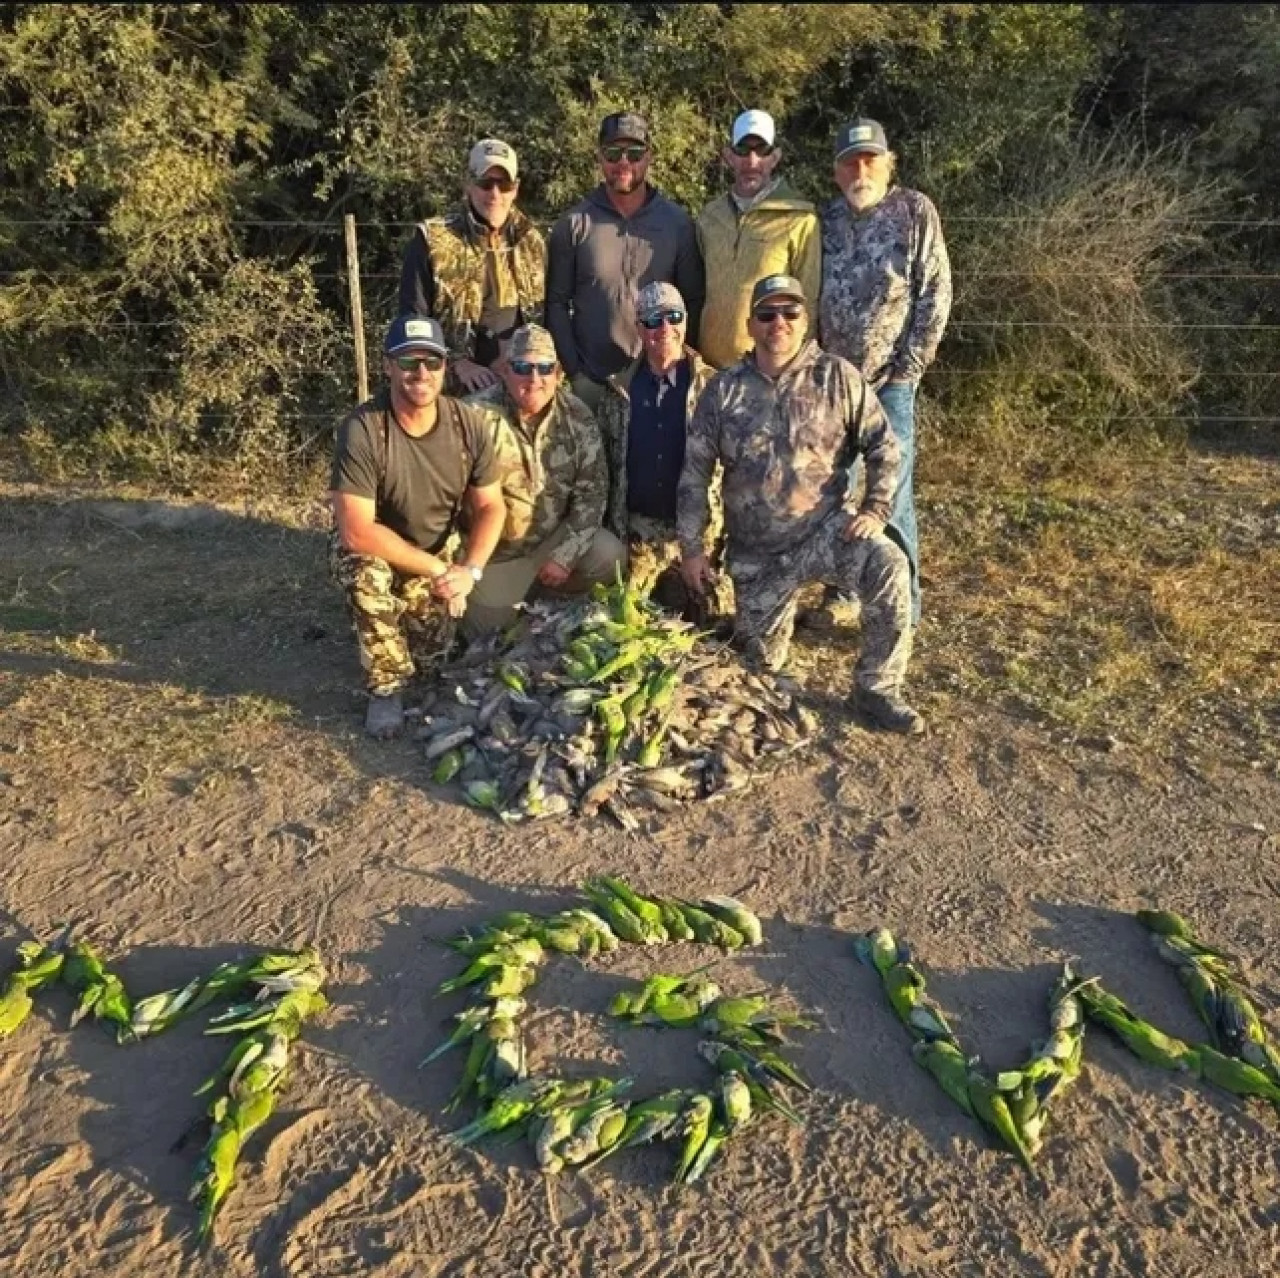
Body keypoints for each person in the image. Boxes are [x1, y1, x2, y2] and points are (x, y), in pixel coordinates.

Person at [677, 274, 923, 735]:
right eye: (767, 314)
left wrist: (875, 509)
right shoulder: (724, 390)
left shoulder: (838, 377)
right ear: (750, 325)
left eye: (790, 313)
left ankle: (877, 690)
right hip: (757, 553)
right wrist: (691, 547)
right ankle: (770, 658)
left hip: (827, 533)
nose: (779, 323)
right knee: (762, 679)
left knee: (888, 563)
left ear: (805, 321)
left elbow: (885, 448)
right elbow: (694, 473)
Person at [330, 314, 506, 738]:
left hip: (439, 553)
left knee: (432, 661)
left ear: (446, 365)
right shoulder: (363, 429)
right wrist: (438, 571)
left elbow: (491, 508)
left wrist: (470, 571)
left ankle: (409, 625)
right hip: (380, 550)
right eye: (408, 362)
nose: (420, 373)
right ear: (389, 365)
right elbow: (356, 529)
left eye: (431, 361)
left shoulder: (469, 425)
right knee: (365, 575)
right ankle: (385, 688)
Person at [818, 118, 951, 626]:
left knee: (889, 494)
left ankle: (902, 610)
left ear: (887, 162)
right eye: (851, 161)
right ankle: (846, 594)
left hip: (890, 383)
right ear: (836, 170)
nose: (861, 169)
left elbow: (935, 293)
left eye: (870, 159)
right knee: (838, 489)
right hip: (835, 385)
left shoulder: (913, 212)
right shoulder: (826, 221)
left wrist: (907, 370)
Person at [461, 323, 625, 634]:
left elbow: (592, 495)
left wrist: (566, 555)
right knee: (487, 631)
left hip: (551, 540)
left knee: (610, 556)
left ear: (558, 373)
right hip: (495, 555)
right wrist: (465, 565)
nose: (534, 379)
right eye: (523, 367)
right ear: (506, 370)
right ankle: (518, 599)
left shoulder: (577, 416)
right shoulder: (475, 418)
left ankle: (548, 594)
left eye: (544, 368)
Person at [545, 111, 705, 412]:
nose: (624, 162)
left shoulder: (678, 224)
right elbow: (555, 303)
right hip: (592, 385)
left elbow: (694, 302)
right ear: (600, 158)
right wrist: (576, 373)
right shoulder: (574, 224)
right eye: (613, 152)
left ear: (649, 157)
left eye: (634, 153)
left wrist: (678, 366)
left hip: (659, 381)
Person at [596, 281, 725, 620]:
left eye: (673, 316)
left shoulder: (716, 389)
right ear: (639, 328)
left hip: (697, 535)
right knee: (619, 620)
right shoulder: (617, 392)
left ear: (685, 321)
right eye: (652, 320)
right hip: (640, 532)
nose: (664, 328)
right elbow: (605, 470)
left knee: (717, 620)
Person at [398, 138, 547, 394]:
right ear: (468, 185)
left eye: (504, 184)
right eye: (485, 183)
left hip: (521, 386)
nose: (495, 194)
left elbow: (550, 319)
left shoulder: (531, 240)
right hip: (454, 390)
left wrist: (519, 363)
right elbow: (414, 323)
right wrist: (458, 364)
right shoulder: (433, 239)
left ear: (516, 188)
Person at [695, 108, 821, 370]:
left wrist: (798, 372)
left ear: (775, 157)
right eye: (743, 150)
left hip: (768, 372)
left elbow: (809, 301)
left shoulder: (800, 218)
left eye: (761, 150)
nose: (751, 161)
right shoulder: (709, 217)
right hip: (709, 373)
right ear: (729, 156)